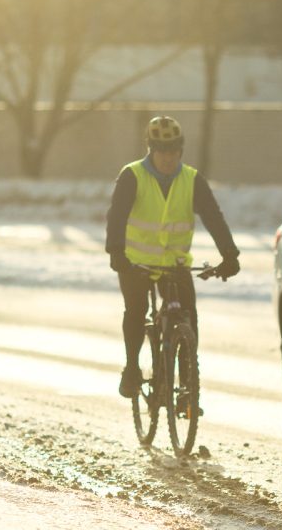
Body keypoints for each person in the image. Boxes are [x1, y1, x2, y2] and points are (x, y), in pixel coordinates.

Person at [105, 116, 241, 411]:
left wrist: (229, 254)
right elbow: (117, 215)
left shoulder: (191, 180)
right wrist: (116, 251)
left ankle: (187, 390)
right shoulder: (133, 176)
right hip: (135, 263)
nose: (169, 157)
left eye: (174, 150)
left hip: (176, 264)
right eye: (162, 150)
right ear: (151, 149)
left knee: (188, 317)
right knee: (137, 311)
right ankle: (131, 368)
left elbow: (213, 216)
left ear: (181, 150)